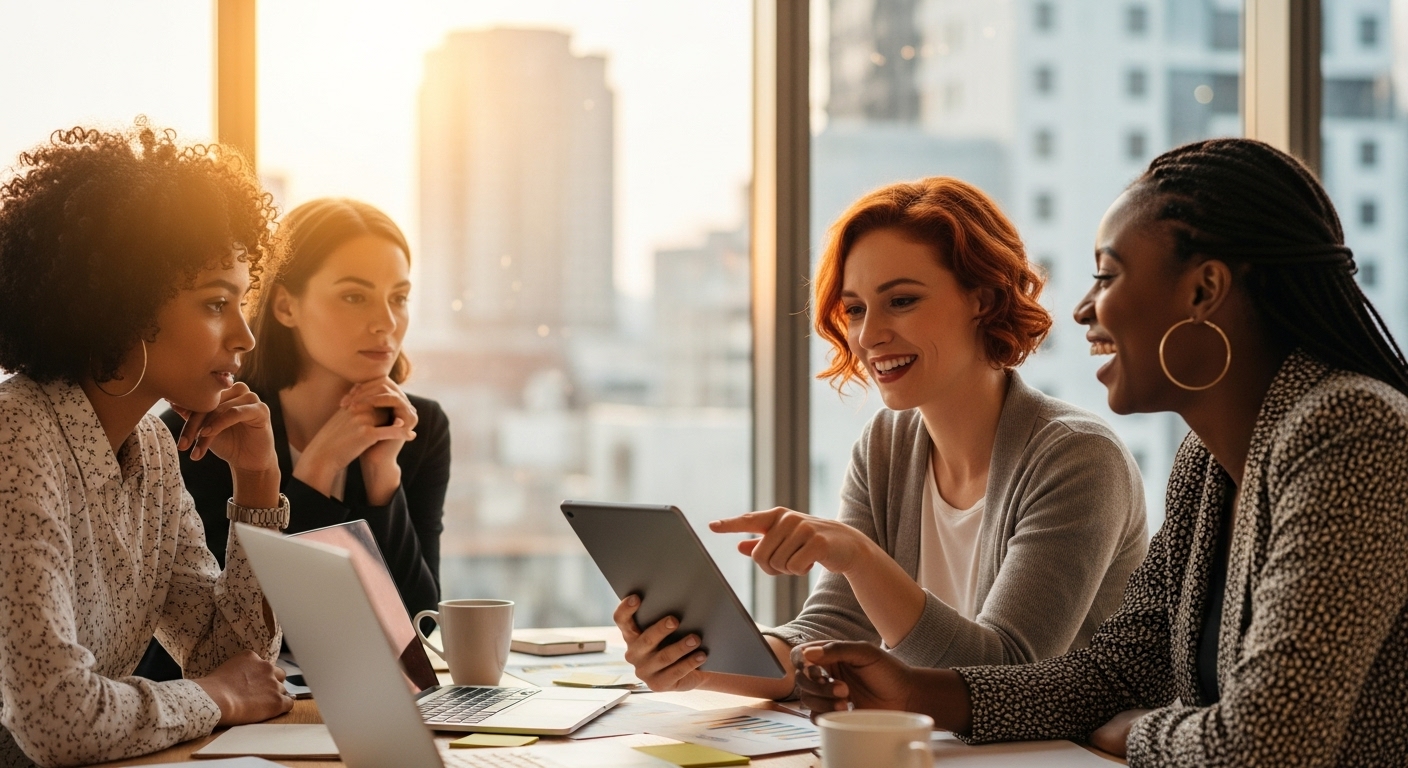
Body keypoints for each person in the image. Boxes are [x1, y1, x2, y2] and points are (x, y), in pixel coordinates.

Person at [793, 139, 1408, 767]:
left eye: (1107, 276)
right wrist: (919, 691)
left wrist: (1134, 733)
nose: (1084, 309)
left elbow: (1268, 742)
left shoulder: (1351, 430)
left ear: (1204, 291)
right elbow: (1116, 673)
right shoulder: (1205, 463)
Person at [615, 176, 1150, 699]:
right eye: (854, 310)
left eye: (901, 301)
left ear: (982, 299)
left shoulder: (1077, 457)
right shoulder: (888, 444)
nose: (868, 336)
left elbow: (1001, 677)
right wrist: (699, 665)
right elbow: (826, 635)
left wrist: (860, 557)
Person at [0, 124, 294, 767]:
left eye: (243, 302)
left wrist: (257, 482)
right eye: (217, 303)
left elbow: (234, 662)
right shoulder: (14, 438)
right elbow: (56, 720)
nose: (245, 336)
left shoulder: (152, 449)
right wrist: (214, 696)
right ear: (123, 307)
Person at [136, 198, 449, 681]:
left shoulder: (418, 427)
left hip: (352, 707)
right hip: (220, 713)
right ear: (285, 305)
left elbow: (421, 635)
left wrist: (383, 477)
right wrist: (317, 470)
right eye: (354, 296)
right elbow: (234, 632)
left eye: (399, 297)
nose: (386, 321)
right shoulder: (209, 429)